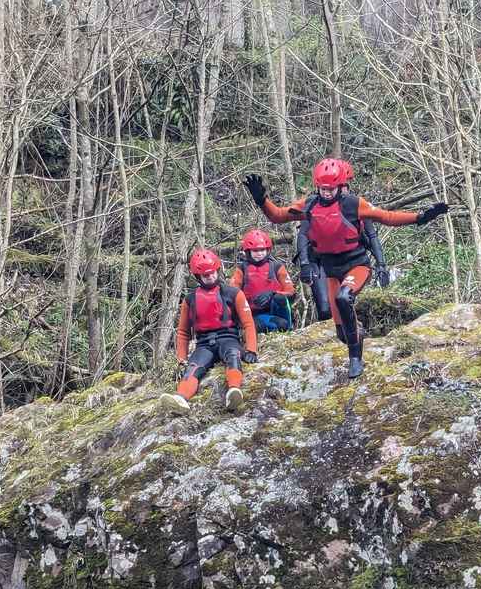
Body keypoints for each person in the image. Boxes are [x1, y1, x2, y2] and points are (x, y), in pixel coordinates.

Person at [244, 158, 447, 377]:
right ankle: (356, 335)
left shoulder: (353, 204)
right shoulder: (310, 205)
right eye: (323, 188)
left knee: (344, 297)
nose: (326, 193)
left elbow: (386, 217)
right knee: (342, 333)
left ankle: (355, 359)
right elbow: (277, 216)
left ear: (341, 186)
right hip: (331, 270)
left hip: (356, 265)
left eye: (331, 189)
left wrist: (420, 217)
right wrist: (261, 200)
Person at [164, 248, 258, 412]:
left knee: (233, 355)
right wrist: (181, 359)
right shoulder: (190, 300)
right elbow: (183, 332)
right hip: (204, 344)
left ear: (217, 270)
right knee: (193, 367)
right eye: (205, 275)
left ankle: (234, 391)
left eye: (213, 273)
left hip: (229, 339)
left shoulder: (233, 293)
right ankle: (181, 398)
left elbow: (248, 323)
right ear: (198, 276)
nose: (210, 277)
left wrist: (251, 349)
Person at [297, 215, 390, 323]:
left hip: (352, 260)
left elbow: (371, 235)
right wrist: (304, 264)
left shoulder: (358, 208)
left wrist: (381, 265)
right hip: (320, 260)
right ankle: (336, 329)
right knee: (325, 310)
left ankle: (353, 328)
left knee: (344, 299)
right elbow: (303, 234)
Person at [230, 228, 296, 333]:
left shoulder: (277, 267)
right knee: (259, 326)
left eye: (262, 250)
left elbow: (290, 291)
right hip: (254, 313)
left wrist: (272, 294)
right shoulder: (241, 269)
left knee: (280, 299)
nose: (259, 253)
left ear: (267, 250)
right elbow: (232, 293)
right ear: (248, 252)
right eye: (255, 251)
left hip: (276, 310)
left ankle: (288, 327)